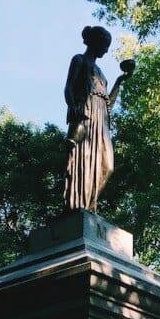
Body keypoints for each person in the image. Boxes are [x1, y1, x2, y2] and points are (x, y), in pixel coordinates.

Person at [63, 25, 134, 213]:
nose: (107, 49)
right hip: (86, 115)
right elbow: (69, 87)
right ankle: (81, 206)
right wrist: (74, 108)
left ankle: (90, 204)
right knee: (84, 159)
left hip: (101, 121)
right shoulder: (79, 60)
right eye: (105, 44)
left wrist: (119, 82)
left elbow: (108, 103)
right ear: (95, 42)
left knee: (107, 166)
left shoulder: (101, 73)